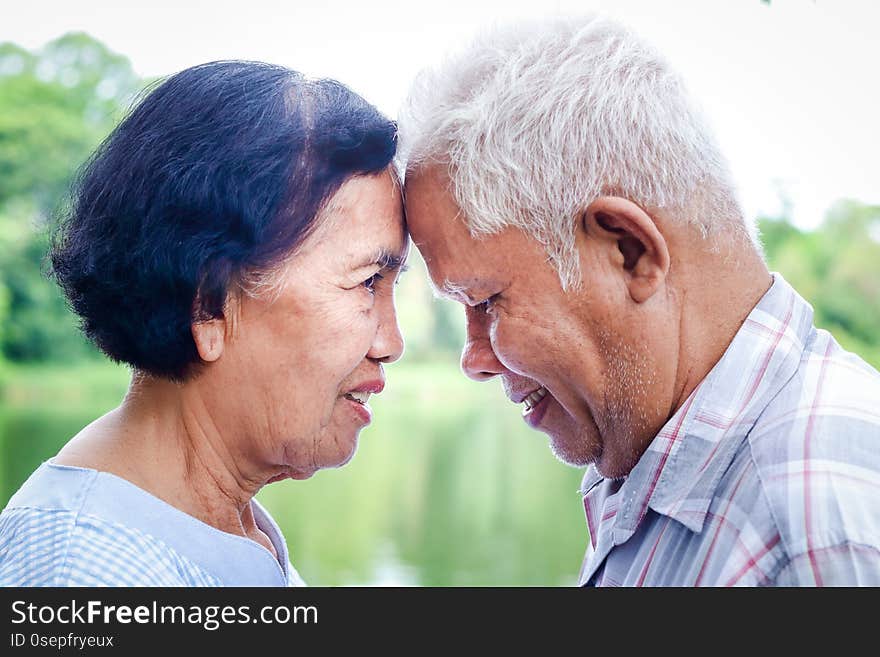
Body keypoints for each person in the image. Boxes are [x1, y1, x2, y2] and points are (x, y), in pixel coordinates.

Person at [399, 15, 880, 586]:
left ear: (629, 251)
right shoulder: (659, 461)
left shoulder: (812, 535)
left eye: (485, 301)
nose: (474, 358)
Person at [0, 61, 407, 586]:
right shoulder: (81, 576)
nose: (391, 343)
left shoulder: (224, 531)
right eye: (368, 281)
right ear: (210, 305)